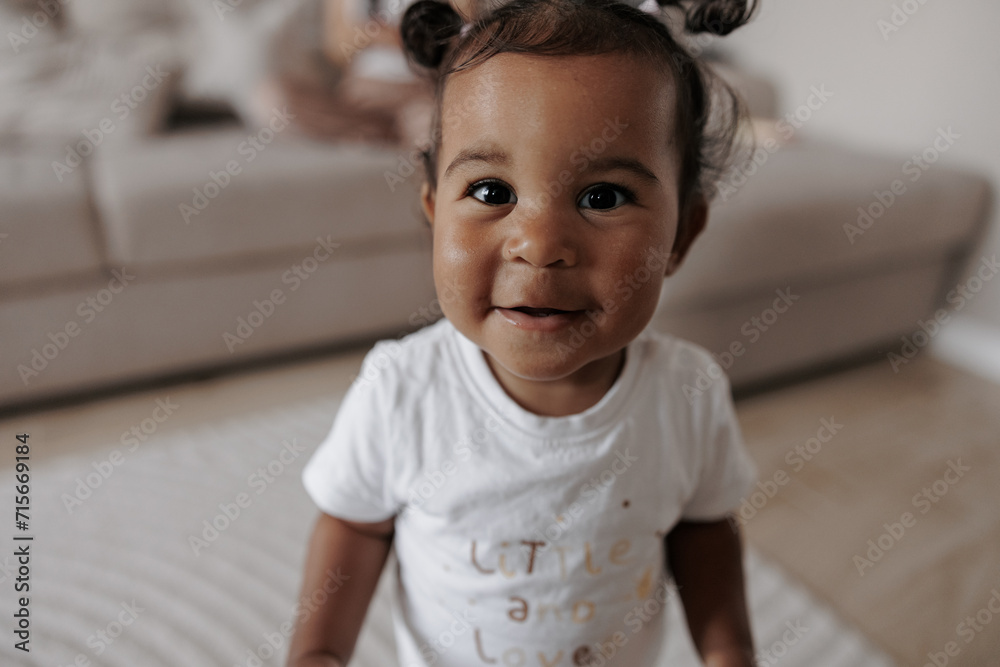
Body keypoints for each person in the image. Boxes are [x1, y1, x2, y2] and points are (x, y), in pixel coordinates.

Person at [287, 0, 760, 664]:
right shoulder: (403, 390)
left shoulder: (687, 392)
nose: (538, 245)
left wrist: (730, 649)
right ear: (434, 211)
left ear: (681, 234)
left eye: (602, 196)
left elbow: (702, 526)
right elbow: (356, 524)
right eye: (491, 192)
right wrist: (318, 651)